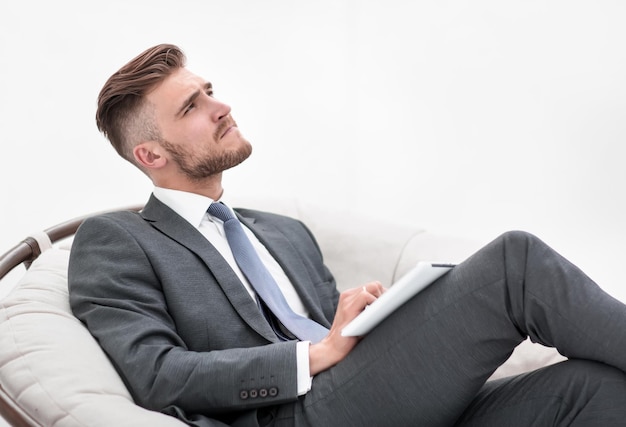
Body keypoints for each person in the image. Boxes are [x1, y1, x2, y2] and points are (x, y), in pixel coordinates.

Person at [68, 43, 626, 427]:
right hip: (296, 413)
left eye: (210, 89)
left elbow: (338, 342)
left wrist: (357, 326)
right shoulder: (115, 241)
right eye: (193, 105)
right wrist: (313, 354)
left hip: (372, 395)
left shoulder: (286, 233)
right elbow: (157, 376)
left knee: (592, 388)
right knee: (514, 264)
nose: (222, 105)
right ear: (151, 154)